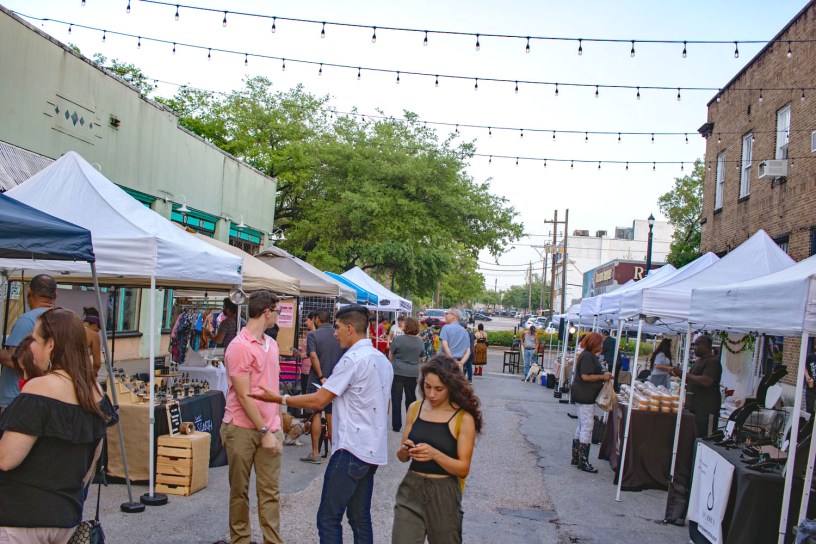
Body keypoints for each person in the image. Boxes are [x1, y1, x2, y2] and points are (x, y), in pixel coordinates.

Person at [250, 305, 393, 544]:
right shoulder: (381, 360)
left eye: (337, 328)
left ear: (350, 328)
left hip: (351, 449)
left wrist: (279, 398)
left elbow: (319, 400)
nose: (334, 333)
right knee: (360, 518)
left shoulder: (354, 359)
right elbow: (383, 405)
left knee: (328, 518)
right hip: (372, 449)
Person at [0, 308, 115, 541]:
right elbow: (89, 470)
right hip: (66, 519)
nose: (31, 345)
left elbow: (6, 459)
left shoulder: (39, 388)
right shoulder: (95, 392)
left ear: (50, 344)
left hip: (21, 518)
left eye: (34, 338)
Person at [392, 355, 481, 544]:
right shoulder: (415, 408)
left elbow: (463, 469)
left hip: (444, 494)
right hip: (411, 489)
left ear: (451, 387)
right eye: (427, 387)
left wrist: (435, 454)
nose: (431, 394)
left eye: (439, 389)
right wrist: (405, 451)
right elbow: (402, 457)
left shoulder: (463, 418)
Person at [221, 290, 284, 544]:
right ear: (267, 312)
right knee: (240, 492)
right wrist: (264, 431)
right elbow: (243, 395)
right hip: (242, 428)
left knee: (270, 492)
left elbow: (273, 387)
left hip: (269, 427)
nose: (278, 316)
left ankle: (273, 540)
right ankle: (240, 540)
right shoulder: (239, 347)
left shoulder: (273, 344)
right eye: (277, 311)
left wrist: (276, 423)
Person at [0, 274, 57, 411]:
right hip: (47, 395)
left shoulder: (28, 320)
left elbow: (13, 359)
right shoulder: (62, 319)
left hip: (17, 397)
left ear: (29, 292)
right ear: (55, 295)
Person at [301, 308, 345, 465]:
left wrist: (320, 376)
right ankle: (335, 452)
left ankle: (315, 452)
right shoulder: (338, 334)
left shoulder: (313, 335)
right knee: (332, 415)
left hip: (317, 380)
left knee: (316, 414)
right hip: (336, 380)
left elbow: (312, 356)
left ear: (317, 319)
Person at [570, 332, 612, 473]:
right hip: (585, 395)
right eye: (599, 343)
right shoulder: (587, 356)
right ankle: (583, 461)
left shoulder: (587, 355)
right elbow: (585, 376)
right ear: (594, 344)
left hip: (583, 394)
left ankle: (576, 457)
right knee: (587, 426)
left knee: (582, 425)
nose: (601, 346)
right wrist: (602, 376)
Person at [674, 335, 722, 438]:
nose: (694, 348)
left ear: (705, 346)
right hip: (694, 408)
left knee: (704, 438)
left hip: (706, 410)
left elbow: (706, 381)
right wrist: (679, 374)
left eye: (696, 345)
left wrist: (684, 374)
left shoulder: (713, 362)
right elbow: (691, 379)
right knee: (693, 436)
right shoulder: (698, 361)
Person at [389, 317, 424, 432]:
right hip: (412, 372)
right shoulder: (420, 341)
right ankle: (411, 423)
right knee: (410, 399)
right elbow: (421, 356)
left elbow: (390, 355)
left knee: (396, 398)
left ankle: (396, 425)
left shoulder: (398, 339)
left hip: (398, 371)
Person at [82, 307, 103, 376]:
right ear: (94, 325)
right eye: (97, 330)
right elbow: (97, 364)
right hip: (81, 372)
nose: (97, 332)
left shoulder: (71, 329)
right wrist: (91, 376)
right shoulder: (93, 335)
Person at [299, 312, 316, 395]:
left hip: (309, 369)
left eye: (307, 320)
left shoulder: (315, 334)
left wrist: (305, 354)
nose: (305, 322)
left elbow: (315, 350)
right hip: (305, 368)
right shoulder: (309, 333)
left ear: (312, 320)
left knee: (307, 394)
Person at [806, 342, 816, 413]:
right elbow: (803, 366)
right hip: (811, 388)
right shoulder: (810, 357)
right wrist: (807, 376)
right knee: (809, 410)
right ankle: (809, 423)